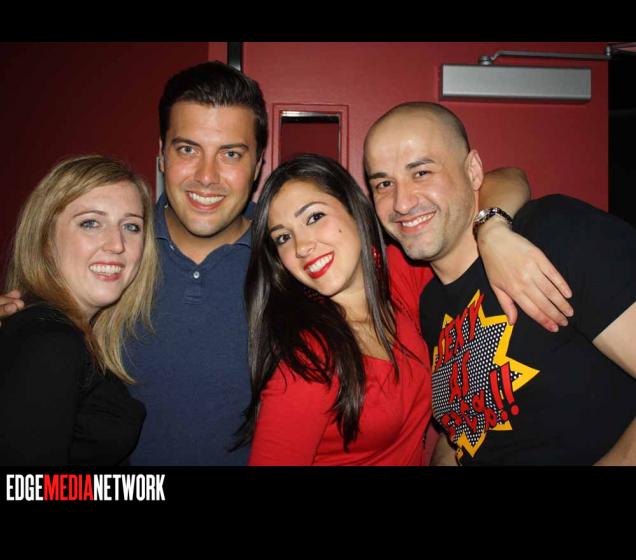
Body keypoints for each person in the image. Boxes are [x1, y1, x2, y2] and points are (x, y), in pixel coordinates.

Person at [0, 61, 572, 465]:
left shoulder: (296, 260)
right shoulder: (121, 253)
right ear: (162, 157)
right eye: (187, 150)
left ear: (256, 167)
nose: (206, 177)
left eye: (231, 153)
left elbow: (499, 180)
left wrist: (493, 227)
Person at [236, 153, 570, 465]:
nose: (302, 247)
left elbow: (508, 178)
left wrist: (493, 231)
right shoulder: (307, 364)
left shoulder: (399, 275)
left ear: (354, 209)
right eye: (283, 237)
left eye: (314, 217)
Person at [364, 102, 636, 465]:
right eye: (384, 183)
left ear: (473, 171)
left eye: (422, 172)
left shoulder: (556, 233)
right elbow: (469, 431)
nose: (401, 202)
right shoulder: (430, 305)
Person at [0, 155, 157, 465]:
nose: (117, 244)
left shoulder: (62, 332)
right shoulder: (49, 340)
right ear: (46, 239)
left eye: (131, 226)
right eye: (91, 223)